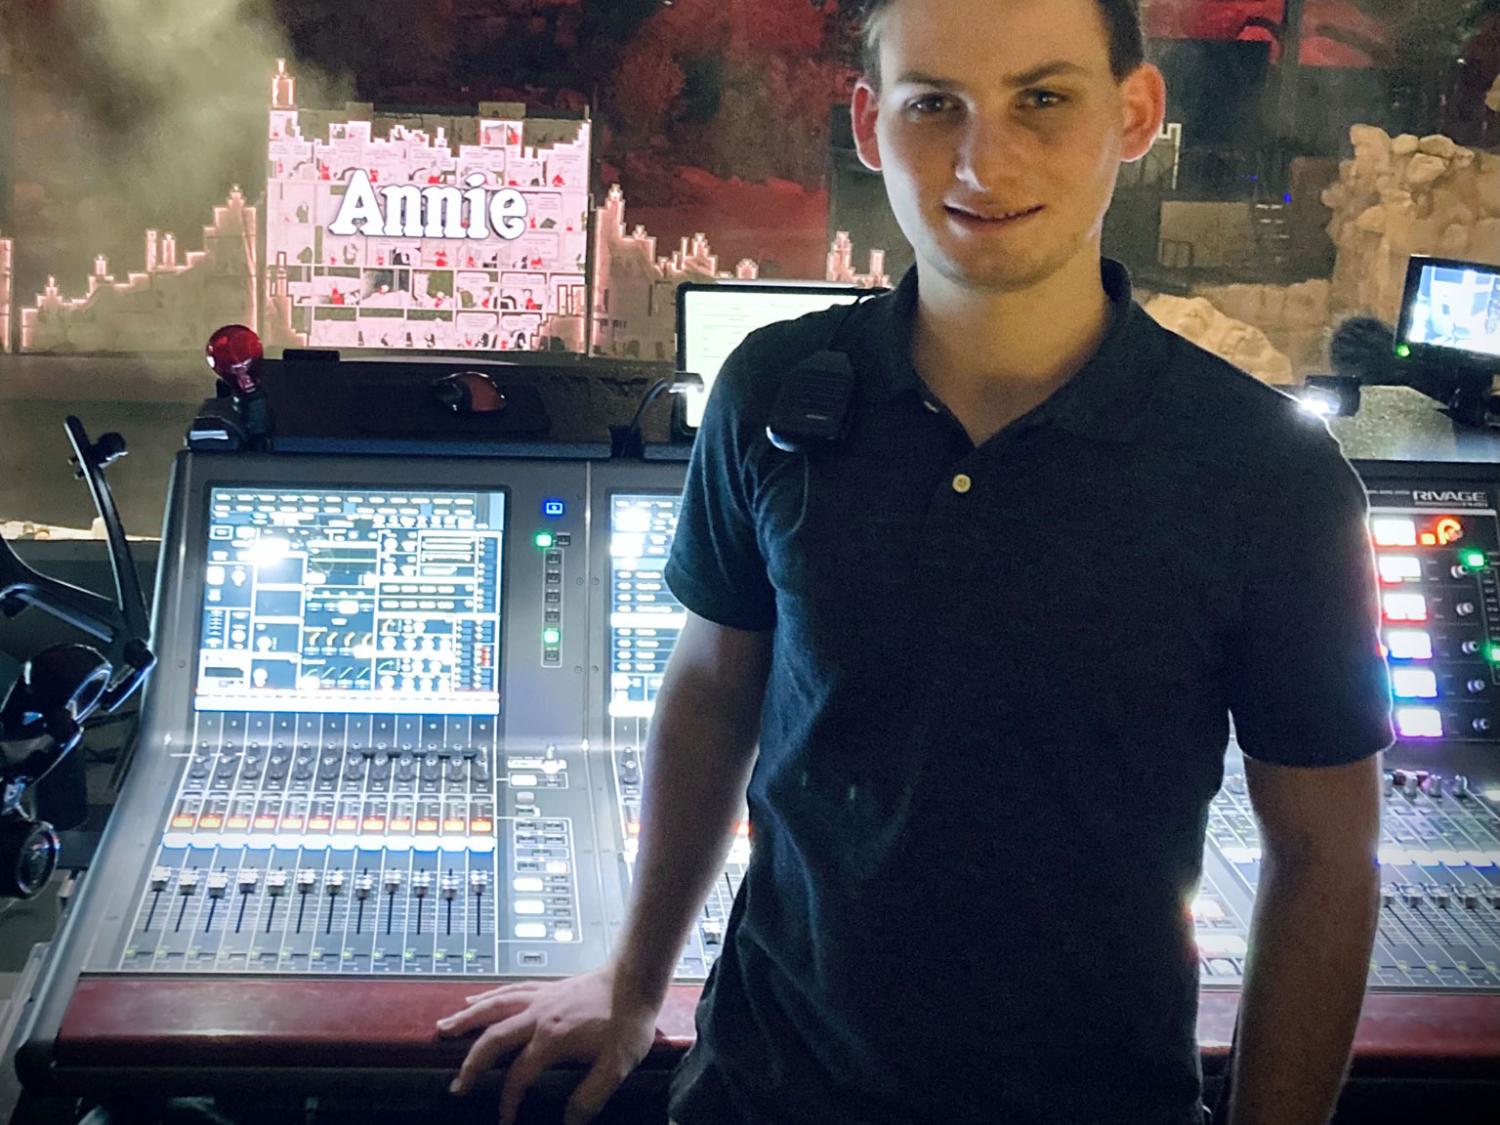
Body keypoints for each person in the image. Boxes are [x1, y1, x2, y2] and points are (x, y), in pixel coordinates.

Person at [436, 2, 1391, 1123]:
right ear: (868, 124)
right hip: (766, 1093)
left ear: (1134, 114)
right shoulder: (768, 391)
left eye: (1043, 99)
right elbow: (711, 692)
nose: (985, 160)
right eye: (934, 105)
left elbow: (1326, 850)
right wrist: (633, 981)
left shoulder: (1266, 469)